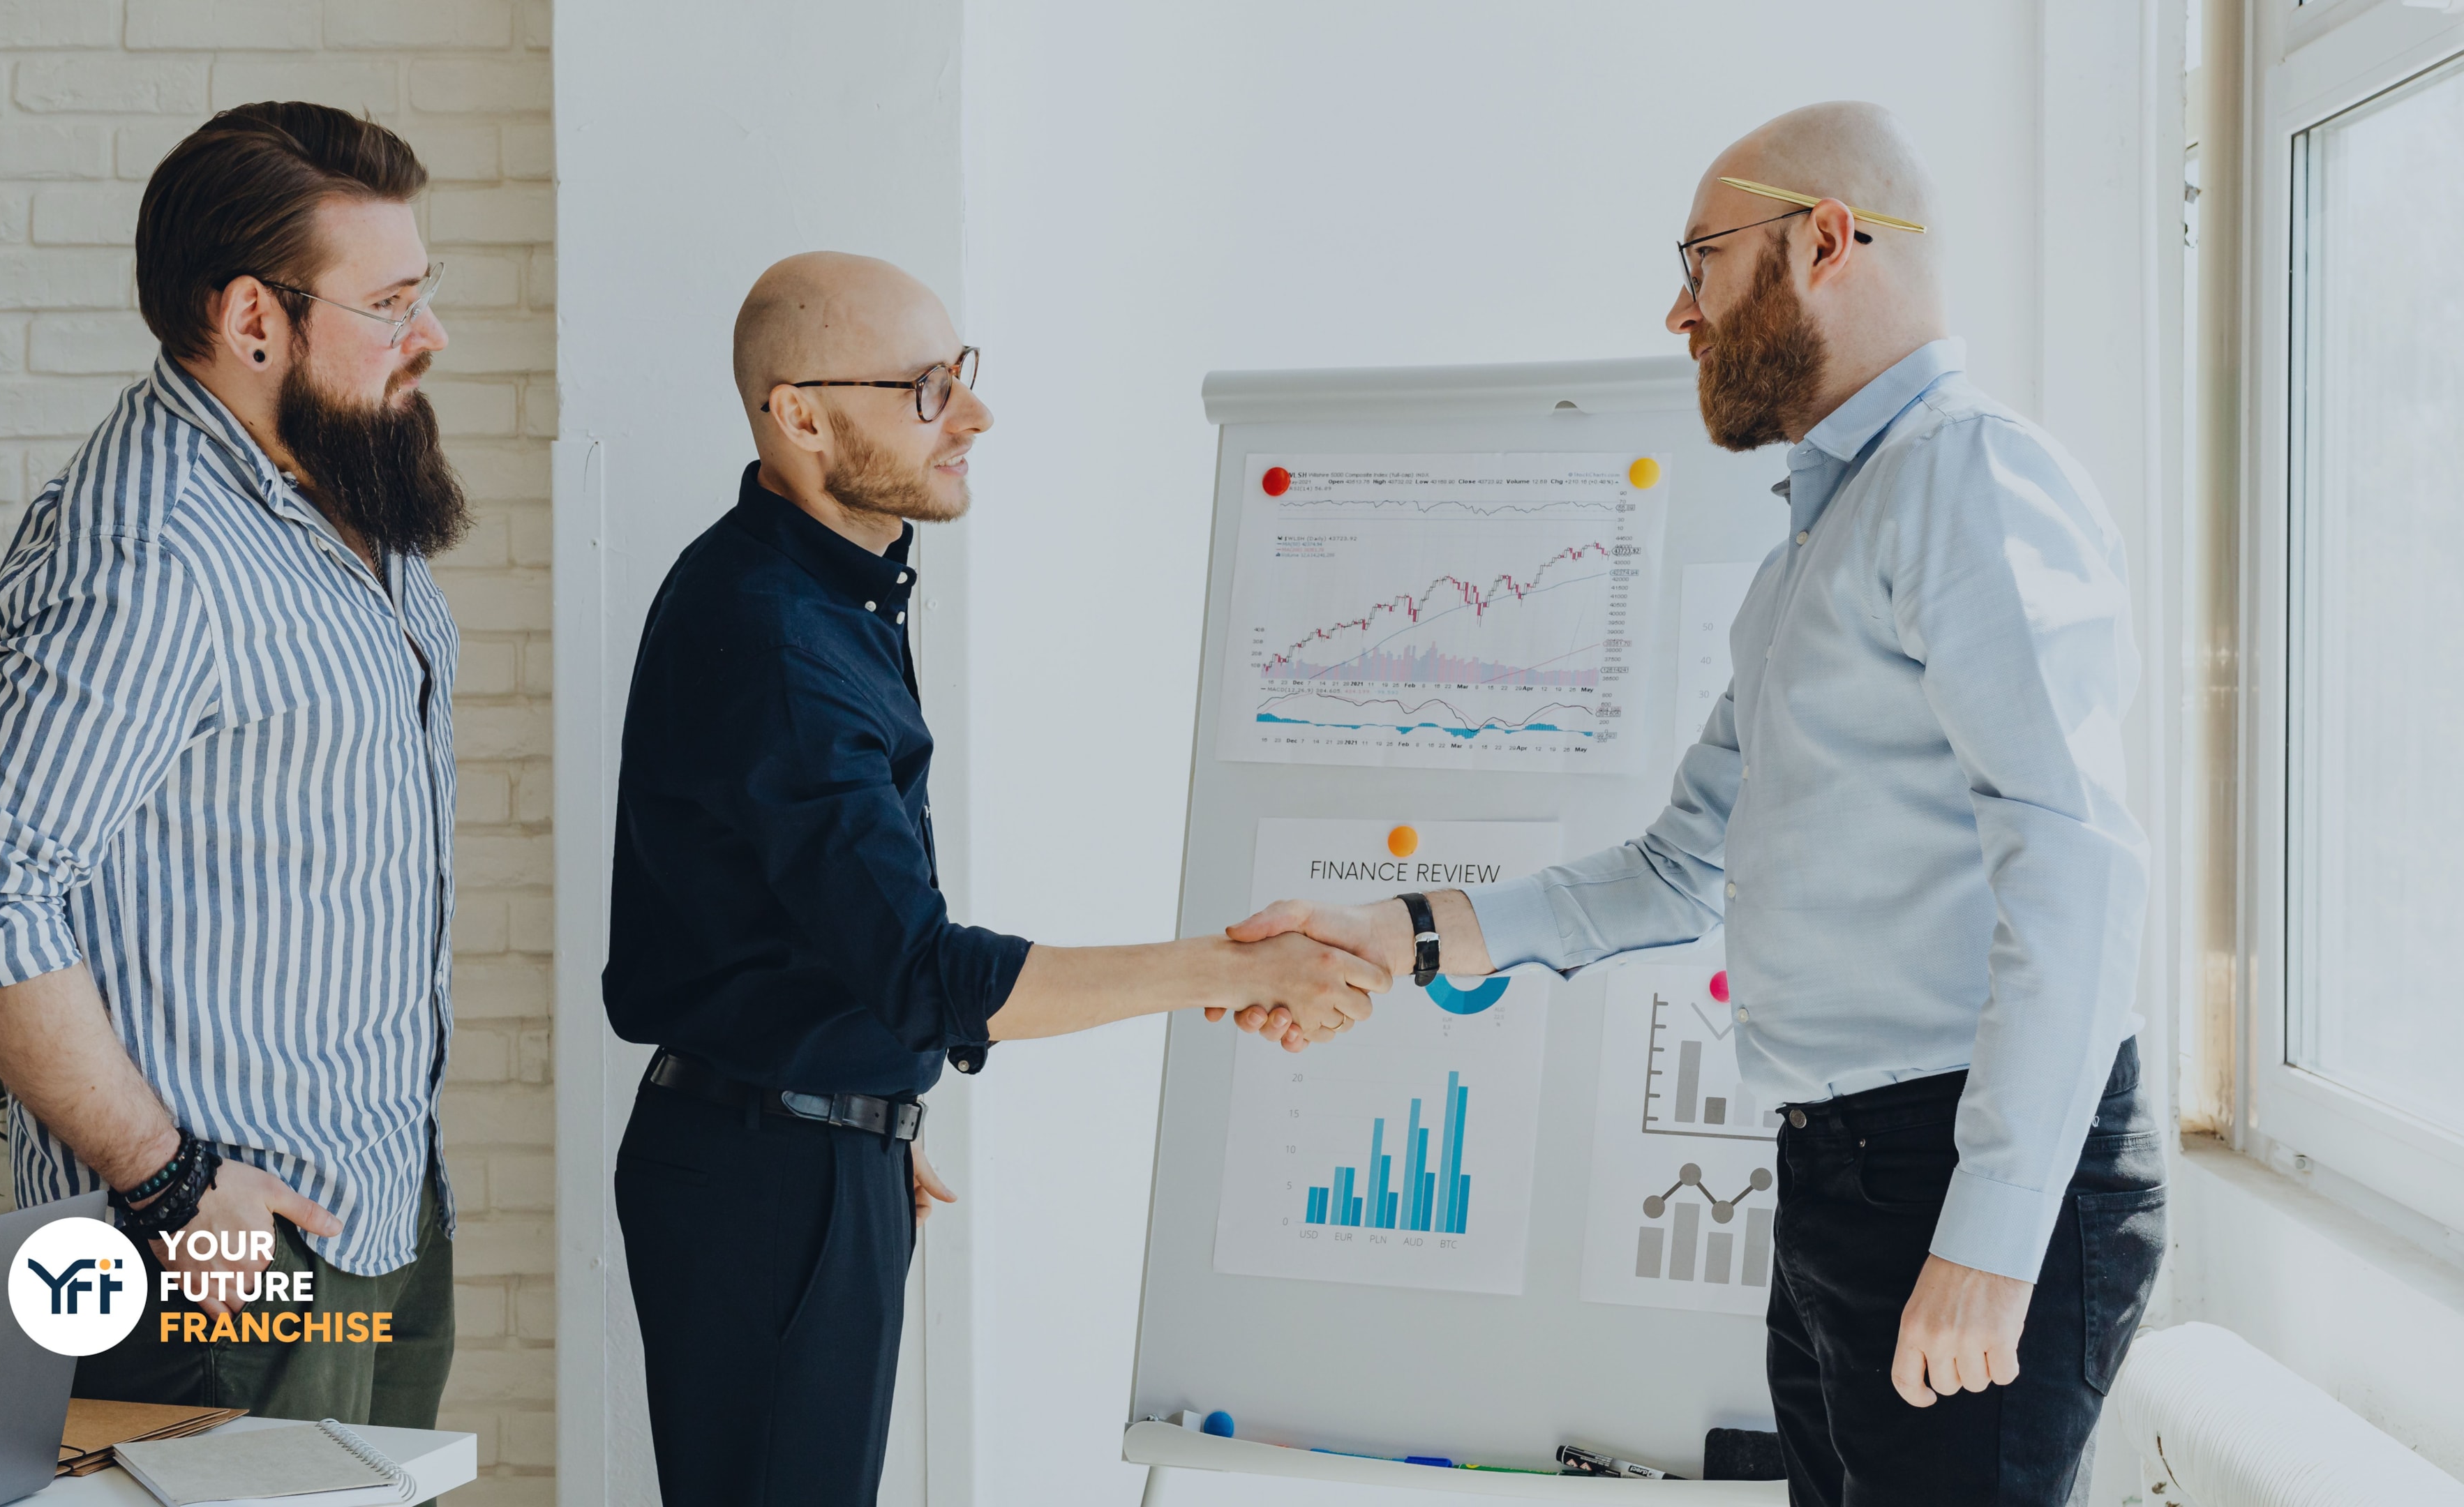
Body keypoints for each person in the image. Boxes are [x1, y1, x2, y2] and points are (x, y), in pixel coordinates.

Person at [1235, 103, 2162, 1505]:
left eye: (1704, 261)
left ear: (1827, 242)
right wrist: (1405, 934)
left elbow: (2076, 863)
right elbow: (1675, 870)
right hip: (1848, 1175)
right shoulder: (1815, 551)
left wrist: (1991, 1236)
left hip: (1955, 1169)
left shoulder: (1964, 481)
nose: (1680, 311)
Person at [608, 251, 1382, 1504]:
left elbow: (799, 919)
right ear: (800, 414)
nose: (971, 414)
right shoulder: (777, 634)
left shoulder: (829, 593)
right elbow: (922, 971)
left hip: (804, 1147)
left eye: (960, 375)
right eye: (925, 388)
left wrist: (863, 1107)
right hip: (767, 1172)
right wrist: (1241, 966)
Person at [0, 103, 470, 1427]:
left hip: (367, 1206)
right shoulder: (157, 558)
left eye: (423, 292)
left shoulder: (337, 476)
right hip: (211, 1265)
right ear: (254, 321)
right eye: (388, 304)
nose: (426, 337)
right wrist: (170, 1185)